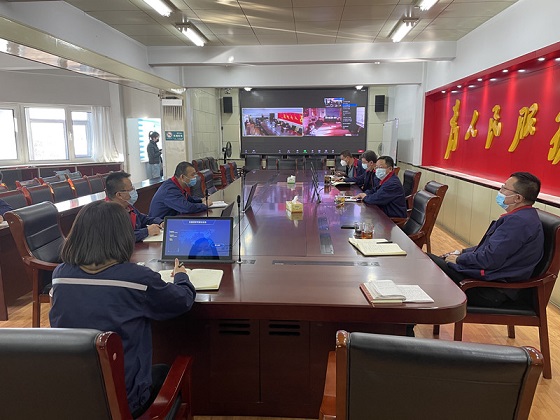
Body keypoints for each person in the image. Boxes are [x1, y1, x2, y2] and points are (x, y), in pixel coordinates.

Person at [49, 200, 196, 417]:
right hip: (126, 401)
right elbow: (182, 301)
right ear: (123, 236)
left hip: (75, 394)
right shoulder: (136, 278)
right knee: (165, 370)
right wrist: (182, 276)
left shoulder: (60, 275)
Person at [429, 172, 544, 307]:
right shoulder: (523, 216)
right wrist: (461, 252)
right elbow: (489, 249)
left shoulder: (518, 223)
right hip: (488, 279)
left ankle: (416, 318)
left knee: (428, 263)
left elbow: (489, 259)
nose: (500, 191)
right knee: (429, 261)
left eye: (504, 188)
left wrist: (459, 259)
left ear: (517, 198)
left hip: (490, 289)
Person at [105, 171, 163, 242]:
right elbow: (122, 238)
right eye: (131, 189)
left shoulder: (127, 206)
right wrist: (147, 231)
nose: (134, 191)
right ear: (119, 195)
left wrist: (160, 222)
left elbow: (144, 219)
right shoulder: (107, 213)